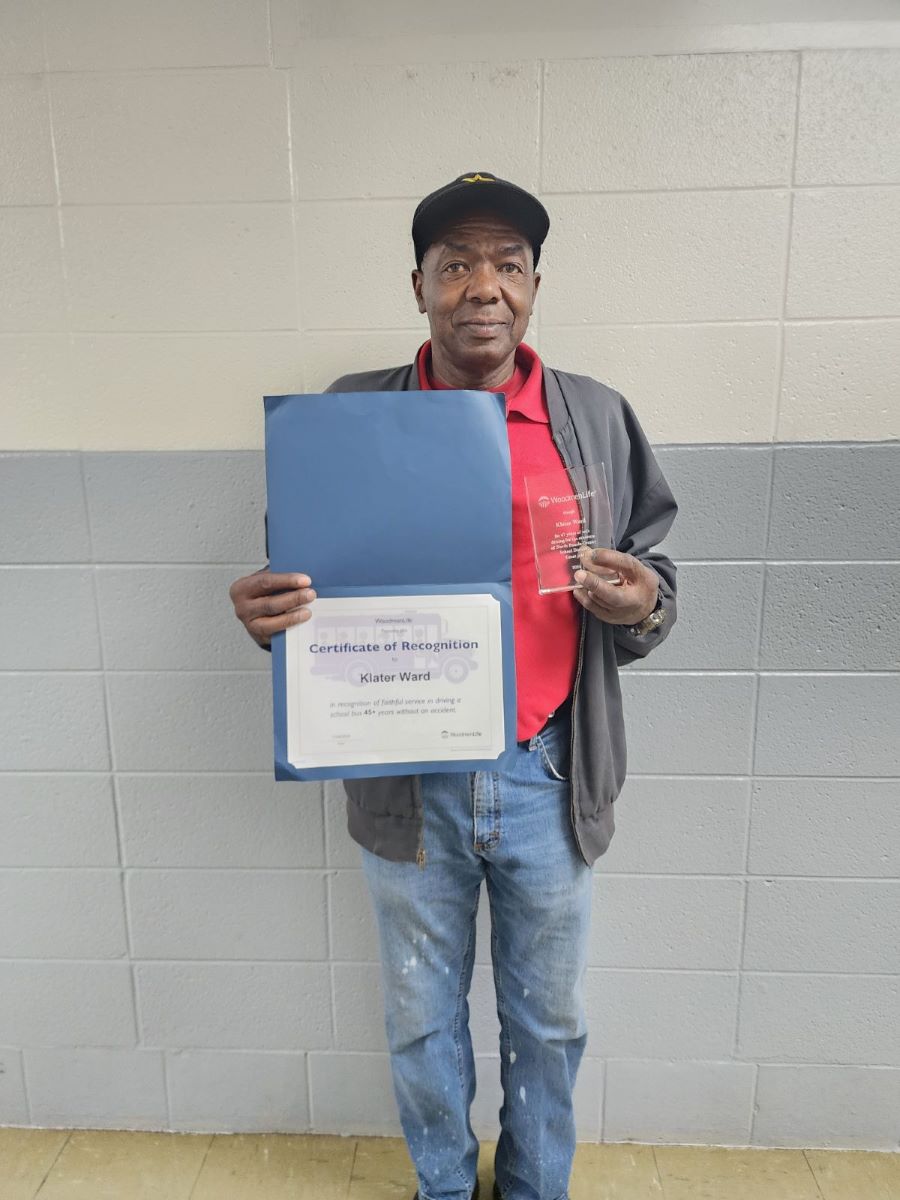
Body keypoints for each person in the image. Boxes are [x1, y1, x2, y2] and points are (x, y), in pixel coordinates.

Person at [230, 172, 678, 1200]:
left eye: (507, 264)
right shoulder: (347, 417)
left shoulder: (596, 419)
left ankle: (531, 1188)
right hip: (409, 782)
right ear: (421, 284)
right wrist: (269, 621)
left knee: (549, 1019)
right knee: (421, 1017)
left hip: (547, 774)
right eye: (457, 263)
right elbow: (303, 586)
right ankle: (441, 1187)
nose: (484, 284)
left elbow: (658, 578)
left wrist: (642, 597)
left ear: (533, 286)